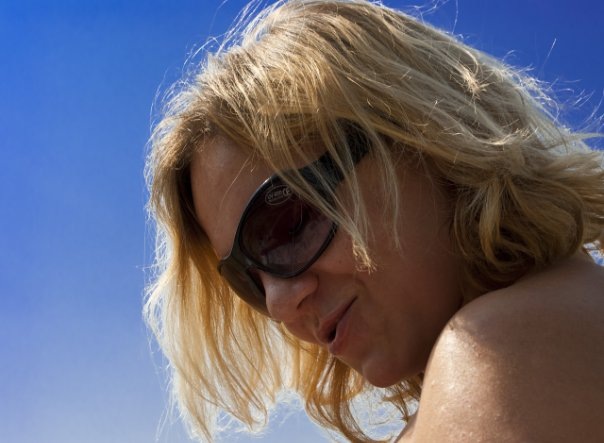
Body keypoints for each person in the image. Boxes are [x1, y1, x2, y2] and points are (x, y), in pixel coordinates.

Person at [144, 0, 604, 441]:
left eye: (287, 226)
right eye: (248, 280)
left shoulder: (508, 344)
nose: (279, 305)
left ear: (416, 133)